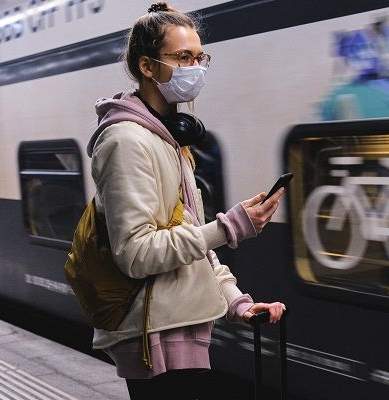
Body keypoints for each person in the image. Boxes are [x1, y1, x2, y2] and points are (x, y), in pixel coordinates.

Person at [86, 3, 285, 398]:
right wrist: (230, 227)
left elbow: (191, 238)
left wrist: (238, 303)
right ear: (147, 66)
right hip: (154, 339)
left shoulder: (171, 140)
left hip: (181, 330)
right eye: (182, 57)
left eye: (199, 57)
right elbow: (136, 253)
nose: (195, 68)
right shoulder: (126, 142)